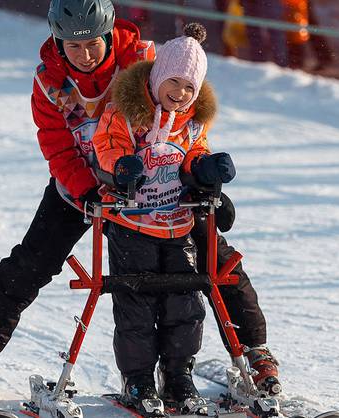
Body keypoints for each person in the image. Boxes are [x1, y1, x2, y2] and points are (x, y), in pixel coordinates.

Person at [0, 0, 280, 398]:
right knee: (34, 259)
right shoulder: (49, 82)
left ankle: (254, 350)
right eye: (73, 47)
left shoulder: (143, 59)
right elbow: (57, 147)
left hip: (156, 189)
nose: (86, 55)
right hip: (84, 184)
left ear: (109, 34)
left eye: (93, 43)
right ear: (58, 44)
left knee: (214, 256)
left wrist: (201, 181)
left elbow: (184, 118)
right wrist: (90, 192)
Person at [91, 23, 232, 409]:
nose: (181, 94)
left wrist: (206, 169)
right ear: (156, 77)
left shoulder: (192, 122)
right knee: (136, 305)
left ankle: (178, 376)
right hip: (132, 224)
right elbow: (104, 148)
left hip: (177, 223)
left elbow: (193, 156)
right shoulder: (124, 114)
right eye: (174, 82)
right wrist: (122, 167)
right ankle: (137, 379)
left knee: (184, 303)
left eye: (190, 87)